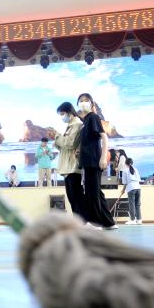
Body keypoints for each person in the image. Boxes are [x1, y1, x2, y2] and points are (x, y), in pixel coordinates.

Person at [76, 93, 116, 230]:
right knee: (96, 191)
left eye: (86, 100)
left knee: (92, 192)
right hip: (88, 160)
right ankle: (108, 222)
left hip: (93, 161)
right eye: (81, 101)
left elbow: (104, 137)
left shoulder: (93, 117)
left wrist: (103, 157)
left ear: (91, 104)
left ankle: (95, 223)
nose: (83, 103)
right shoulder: (86, 120)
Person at [53, 102, 84, 220]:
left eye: (62, 114)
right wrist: (56, 140)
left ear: (70, 112)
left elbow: (70, 143)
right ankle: (78, 221)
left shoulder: (77, 124)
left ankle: (82, 221)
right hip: (67, 166)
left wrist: (56, 135)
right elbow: (64, 147)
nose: (62, 117)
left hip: (73, 166)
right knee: (71, 197)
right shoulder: (70, 125)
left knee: (76, 197)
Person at [123, 157, 143, 224]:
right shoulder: (136, 169)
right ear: (132, 163)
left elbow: (125, 182)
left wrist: (123, 190)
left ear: (126, 163)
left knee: (131, 204)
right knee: (137, 204)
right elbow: (139, 179)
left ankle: (132, 220)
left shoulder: (125, 170)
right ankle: (139, 220)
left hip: (131, 188)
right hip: (138, 187)